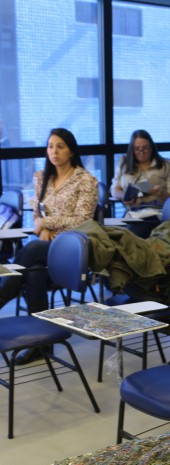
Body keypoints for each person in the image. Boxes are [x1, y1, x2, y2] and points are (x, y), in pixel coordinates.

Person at [0, 128, 98, 363]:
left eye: (60, 146)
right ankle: (42, 345)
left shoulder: (85, 180)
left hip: (74, 250)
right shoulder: (41, 177)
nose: (54, 151)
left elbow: (82, 220)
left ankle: (3, 293)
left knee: (31, 250)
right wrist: (42, 227)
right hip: (46, 248)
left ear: (71, 151)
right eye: (51, 146)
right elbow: (36, 213)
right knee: (34, 274)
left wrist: (46, 223)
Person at [111, 130, 170, 237]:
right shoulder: (124, 163)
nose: (141, 152)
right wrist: (124, 196)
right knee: (109, 231)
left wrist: (160, 193)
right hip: (132, 213)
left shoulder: (164, 165)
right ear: (132, 149)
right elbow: (115, 190)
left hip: (155, 213)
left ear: (151, 147)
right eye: (137, 149)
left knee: (132, 234)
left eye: (145, 148)